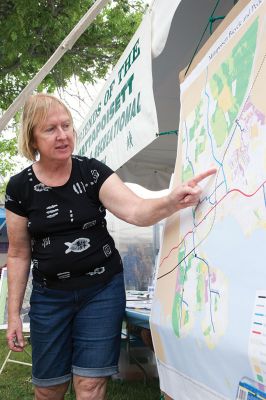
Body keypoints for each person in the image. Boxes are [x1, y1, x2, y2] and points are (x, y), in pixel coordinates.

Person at [5, 93, 216, 400]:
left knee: (90, 385)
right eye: (50, 129)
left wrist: (171, 201)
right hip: (49, 297)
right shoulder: (19, 188)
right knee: (48, 389)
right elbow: (18, 252)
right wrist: (13, 314)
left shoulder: (91, 172)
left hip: (100, 291)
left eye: (66, 125)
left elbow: (135, 210)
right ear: (32, 138)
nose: (63, 135)